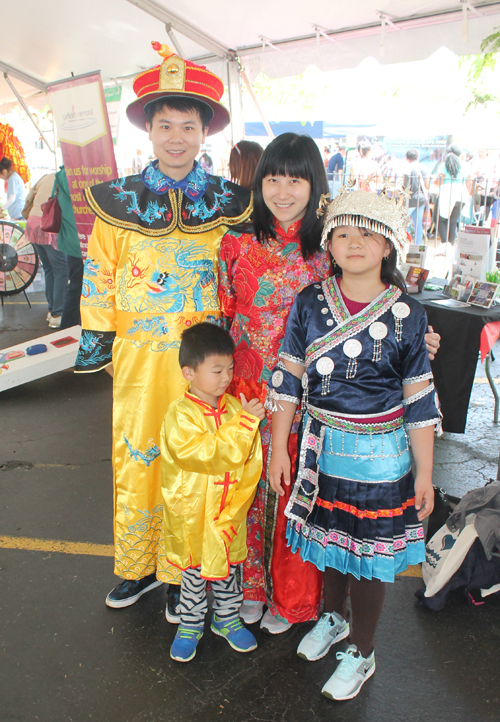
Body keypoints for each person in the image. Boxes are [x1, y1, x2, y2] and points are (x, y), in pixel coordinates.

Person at [219, 134, 441, 636]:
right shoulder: (234, 242)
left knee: (302, 498)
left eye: (295, 178)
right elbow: (223, 314)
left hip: (315, 398)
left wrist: (418, 340)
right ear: (259, 181)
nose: (282, 189)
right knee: (246, 495)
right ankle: (249, 588)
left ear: (314, 184)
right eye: (272, 177)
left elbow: (383, 305)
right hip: (249, 391)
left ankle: (294, 600)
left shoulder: (329, 244)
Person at [74, 45, 253, 619]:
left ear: (206, 133)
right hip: (141, 360)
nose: (177, 137)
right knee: (139, 458)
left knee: (199, 464)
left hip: (205, 365)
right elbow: (99, 274)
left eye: (189, 126)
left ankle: (189, 572)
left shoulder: (231, 203)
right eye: (165, 125)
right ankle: (140, 566)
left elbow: (246, 278)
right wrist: (99, 342)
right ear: (148, 130)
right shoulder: (116, 202)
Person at [267, 189, 440, 702]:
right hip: (321, 447)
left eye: (367, 233)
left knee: (367, 556)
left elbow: (420, 401)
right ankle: (332, 618)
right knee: (329, 543)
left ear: (388, 246)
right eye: (342, 233)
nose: (354, 243)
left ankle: (362, 651)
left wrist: (425, 474)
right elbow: (287, 381)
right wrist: (281, 448)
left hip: (382, 457)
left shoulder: (409, 313)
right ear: (329, 245)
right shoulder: (308, 302)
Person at [161, 322, 264, 662]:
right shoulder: (180, 415)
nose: (226, 378)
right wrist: (245, 426)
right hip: (194, 515)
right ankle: (190, 624)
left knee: (229, 570)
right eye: (217, 370)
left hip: (227, 512)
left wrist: (237, 507)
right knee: (194, 573)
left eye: (230, 369)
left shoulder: (235, 408)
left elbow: (251, 460)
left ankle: (227, 618)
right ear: (189, 372)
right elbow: (202, 455)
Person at [23, 172, 69, 327]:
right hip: (49, 225)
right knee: (61, 270)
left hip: (33, 224)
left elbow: (29, 198)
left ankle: (52, 310)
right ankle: (58, 313)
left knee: (49, 269)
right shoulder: (66, 179)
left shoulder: (45, 176)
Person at [52, 166, 83, 329]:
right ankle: (79, 328)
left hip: (71, 240)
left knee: (76, 285)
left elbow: (53, 199)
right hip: (92, 238)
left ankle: (68, 329)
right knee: (93, 287)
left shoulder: (60, 175)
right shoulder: (95, 171)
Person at [435, 144, 472, 248]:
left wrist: (432, 180)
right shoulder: (466, 165)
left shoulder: (444, 165)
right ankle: (450, 246)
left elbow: (439, 181)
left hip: (447, 192)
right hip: (462, 193)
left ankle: (444, 244)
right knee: (452, 221)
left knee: (439, 219)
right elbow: (469, 183)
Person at [403, 148, 429, 245]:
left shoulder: (407, 168)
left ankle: (403, 243)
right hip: (421, 199)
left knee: (402, 222)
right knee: (418, 224)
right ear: (418, 157)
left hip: (410, 199)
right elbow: (427, 184)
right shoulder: (423, 168)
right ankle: (417, 246)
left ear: (407, 157)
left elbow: (404, 186)